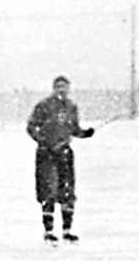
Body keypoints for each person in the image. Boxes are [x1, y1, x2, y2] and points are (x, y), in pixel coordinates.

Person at [26, 75, 95, 244]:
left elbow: (73, 129)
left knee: (67, 191)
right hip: (46, 154)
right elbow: (31, 127)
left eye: (64, 86)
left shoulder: (72, 107)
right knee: (48, 191)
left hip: (64, 153)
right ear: (53, 88)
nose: (61, 90)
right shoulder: (43, 106)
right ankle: (49, 231)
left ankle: (67, 230)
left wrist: (85, 133)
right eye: (58, 86)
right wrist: (43, 142)